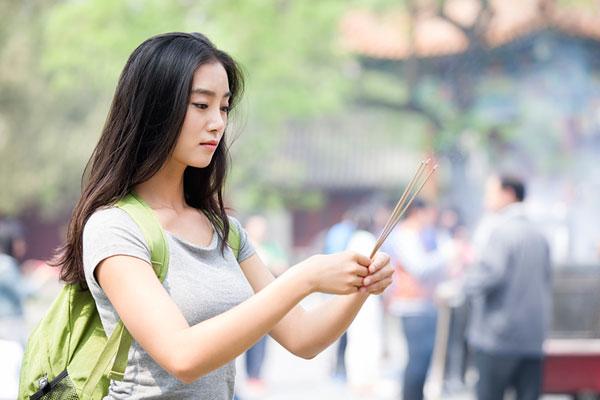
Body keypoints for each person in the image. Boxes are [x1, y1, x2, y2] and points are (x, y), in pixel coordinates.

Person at [50, 32, 394, 399]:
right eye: (201, 105)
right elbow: (181, 356)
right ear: (155, 108)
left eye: (224, 108)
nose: (217, 122)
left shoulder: (225, 231)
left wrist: (362, 283)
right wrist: (304, 278)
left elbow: (302, 337)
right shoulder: (116, 227)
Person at [463, 174, 552, 400]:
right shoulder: (539, 233)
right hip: (532, 337)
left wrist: (463, 283)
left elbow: (486, 276)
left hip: (498, 338)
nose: (486, 200)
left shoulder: (502, 232)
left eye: (490, 193)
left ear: (509, 194)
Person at [386, 198, 454, 400]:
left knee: (423, 363)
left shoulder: (422, 234)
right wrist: (446, 253)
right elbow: (420, 268)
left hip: (425, 304)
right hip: (412, 306)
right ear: (418, 212)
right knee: (417, 363)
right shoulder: (406, 234)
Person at [242, 215, 288, 394]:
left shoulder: (271, 247)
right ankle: (248, 375)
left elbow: (281, 265)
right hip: (246, 301)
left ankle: (255, 374)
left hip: (265, 300)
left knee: (261, 340)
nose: (261, 231)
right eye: (257, 227)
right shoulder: (242, 243)